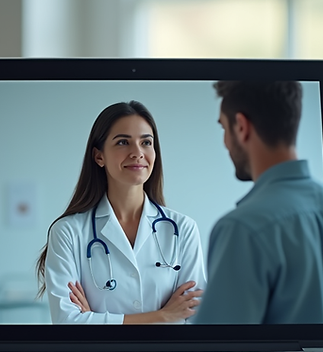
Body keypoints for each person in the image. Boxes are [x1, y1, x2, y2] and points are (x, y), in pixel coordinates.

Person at [36, 101, 205, 324]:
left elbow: (194, 316)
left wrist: (94, 320)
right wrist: (163, 316)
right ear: (99, 156)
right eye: (123, 142)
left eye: (146, 142)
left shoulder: (183, 229)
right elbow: (68, 323)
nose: (137, 153)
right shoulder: (68, 232)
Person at [193, 81, 323, 324]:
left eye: (224, 129)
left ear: (241, 127)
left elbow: (216, 348)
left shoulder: (242, 228)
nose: (225, 142)